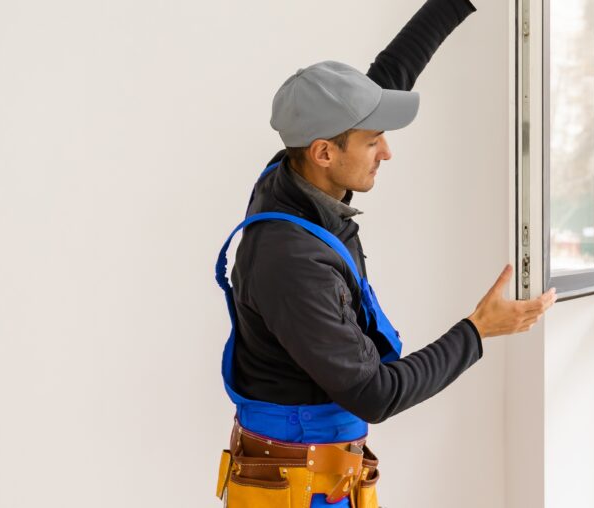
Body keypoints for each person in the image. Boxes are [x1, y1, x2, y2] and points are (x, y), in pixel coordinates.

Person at [212, 2, 558, 507]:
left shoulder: (294, 172)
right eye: (374, 141)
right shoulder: (290, 261)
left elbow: (388, 75)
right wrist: (478, 330)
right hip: (294, 488)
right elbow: (375, 393)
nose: (387, 152)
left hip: (323, 471)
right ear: (325, 153)